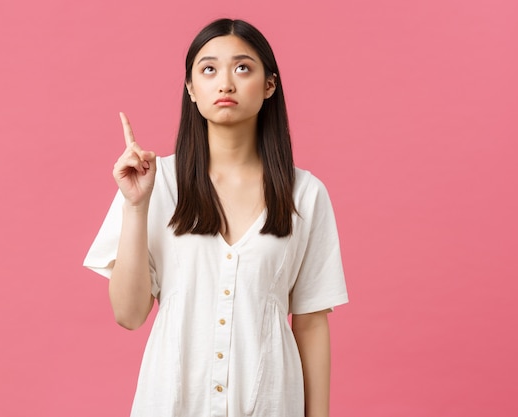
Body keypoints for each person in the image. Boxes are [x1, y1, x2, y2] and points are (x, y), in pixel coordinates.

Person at [84, 18, 348, 417]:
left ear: (270, 85)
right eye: (209, 69)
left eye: (243, 68)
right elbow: (129, 314)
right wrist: (135, 207)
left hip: (269, 403)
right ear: (192, 89)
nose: (226, 83)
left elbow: (310, 324)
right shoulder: (156, 184)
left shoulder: (305, 194)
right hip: (172, 402)